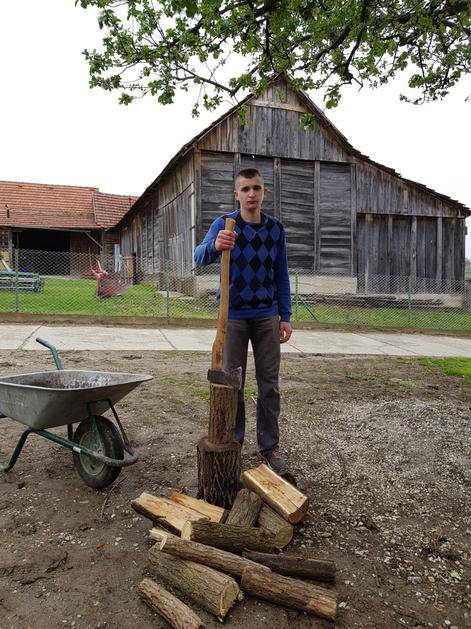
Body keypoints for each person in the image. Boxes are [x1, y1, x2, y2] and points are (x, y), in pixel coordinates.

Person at [194, 168, 292, 474]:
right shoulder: (225, 225)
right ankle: (232, 442)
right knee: (232, 385)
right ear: (237, 194)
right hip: (232, 317)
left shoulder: (275, 230)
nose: (251, 194)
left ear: (265, 192)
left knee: (269, 386)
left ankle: (269, 447)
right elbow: (198, 257)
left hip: (266, 316)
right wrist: (215, 245)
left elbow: (282, 275)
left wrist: (285, 316)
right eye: (245, 189)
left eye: (257, 188)